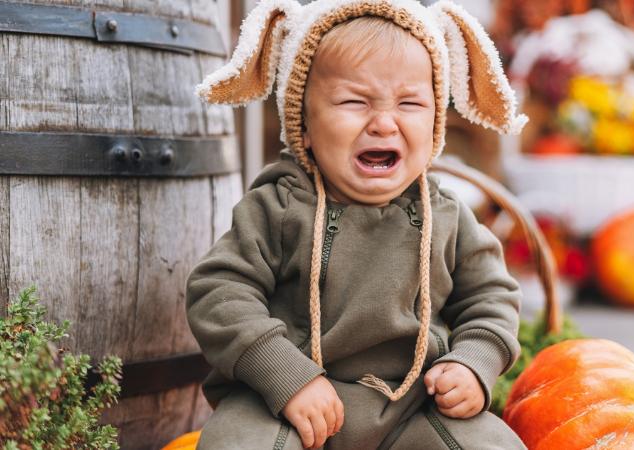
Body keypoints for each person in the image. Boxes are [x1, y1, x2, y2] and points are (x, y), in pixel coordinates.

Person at [186, 0, 529, 448]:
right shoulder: (278, 206)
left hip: (412, 406)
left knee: (487, 444)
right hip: (287, 404)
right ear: (303, 125)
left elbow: (491, 297)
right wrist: (282, 373)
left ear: (435, 124)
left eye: (410, 103)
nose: (384, 123)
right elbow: (219, 293)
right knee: (239, 442)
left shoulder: (446, 215)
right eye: (354, 101)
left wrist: (472, 361)